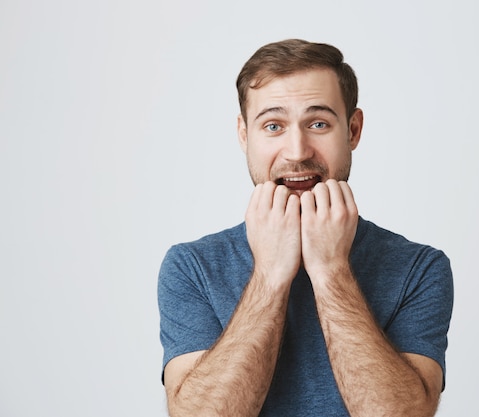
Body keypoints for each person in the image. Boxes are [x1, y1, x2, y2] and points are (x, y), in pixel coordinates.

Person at [158, 38, 454, 417]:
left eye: (318, 123)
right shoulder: (191, 267)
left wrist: (331, 271)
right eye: (273, 125)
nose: (297, 151)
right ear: (244, 135)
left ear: (353, 130)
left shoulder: (419, 268)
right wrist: (269, 275)